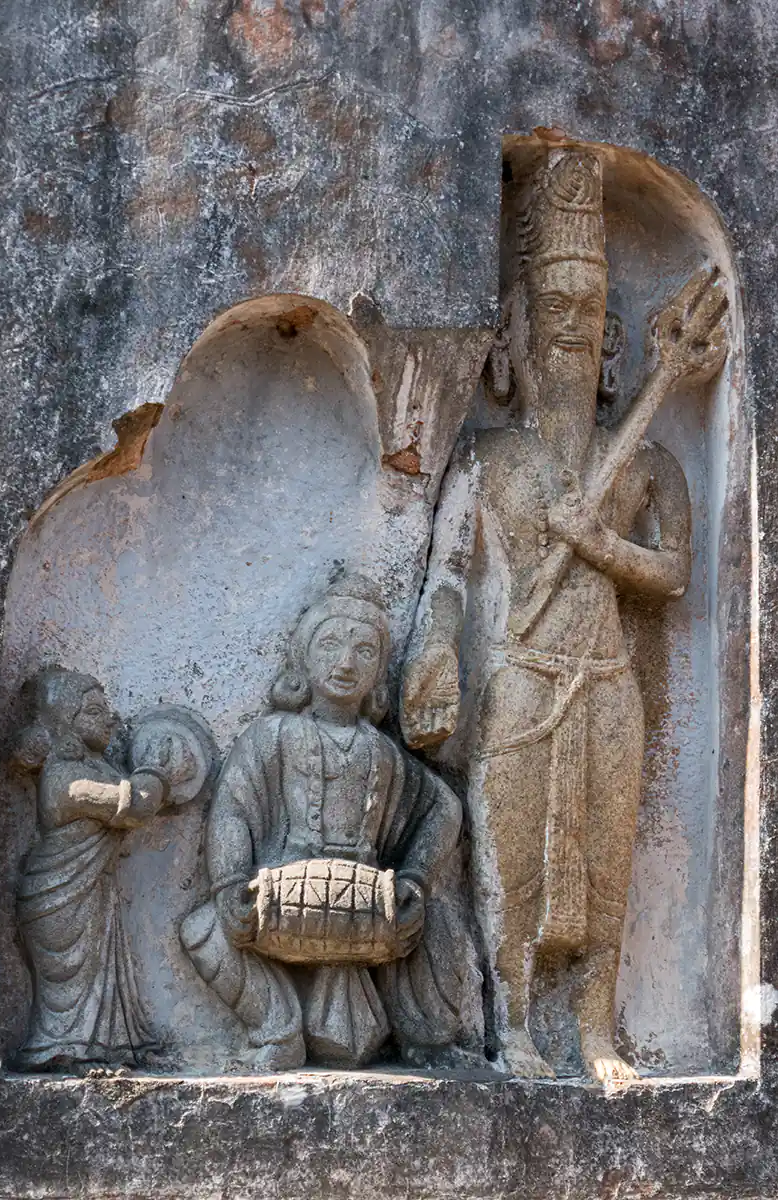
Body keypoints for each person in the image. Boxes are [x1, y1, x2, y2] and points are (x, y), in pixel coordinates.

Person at [400, 149, 728, 1081]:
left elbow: (670, 574)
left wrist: (594, 544)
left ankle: (593, 1029)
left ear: (616, 343)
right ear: (515, 334)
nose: (571, 333)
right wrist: (431, 650)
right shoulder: (487, 461)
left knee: (607, 862)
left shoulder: (647, 465)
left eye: (589, 316)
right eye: (554, 314)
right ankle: (512, 1027)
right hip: (521, 675)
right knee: (513, 860)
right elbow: (451, 575)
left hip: (605, 683)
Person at [181, 577, 466, 1069]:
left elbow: (444, 806)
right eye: (330, 645)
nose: (346, 663)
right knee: (204, 930)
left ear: (379, 670)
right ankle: (277, 1029)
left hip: (366, 905)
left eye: (364, 651)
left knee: (440, 927)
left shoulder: (384, 753)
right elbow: (233, 811)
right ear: (302, 660)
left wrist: (415, 877)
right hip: (284, 899)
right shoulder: (272, 735)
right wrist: (230, 884)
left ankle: (425, 1037)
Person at [13, 669, 166, 1070]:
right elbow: (133, 806)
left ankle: (103, 1049)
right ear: (67, 724)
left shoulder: (96, 767)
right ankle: (59, 1050)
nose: (111, 719)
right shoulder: (65, 778)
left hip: (92, 888)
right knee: (70, 981)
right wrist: (155, 771)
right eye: (95, 712)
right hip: (60, 893)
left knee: (98, 973)